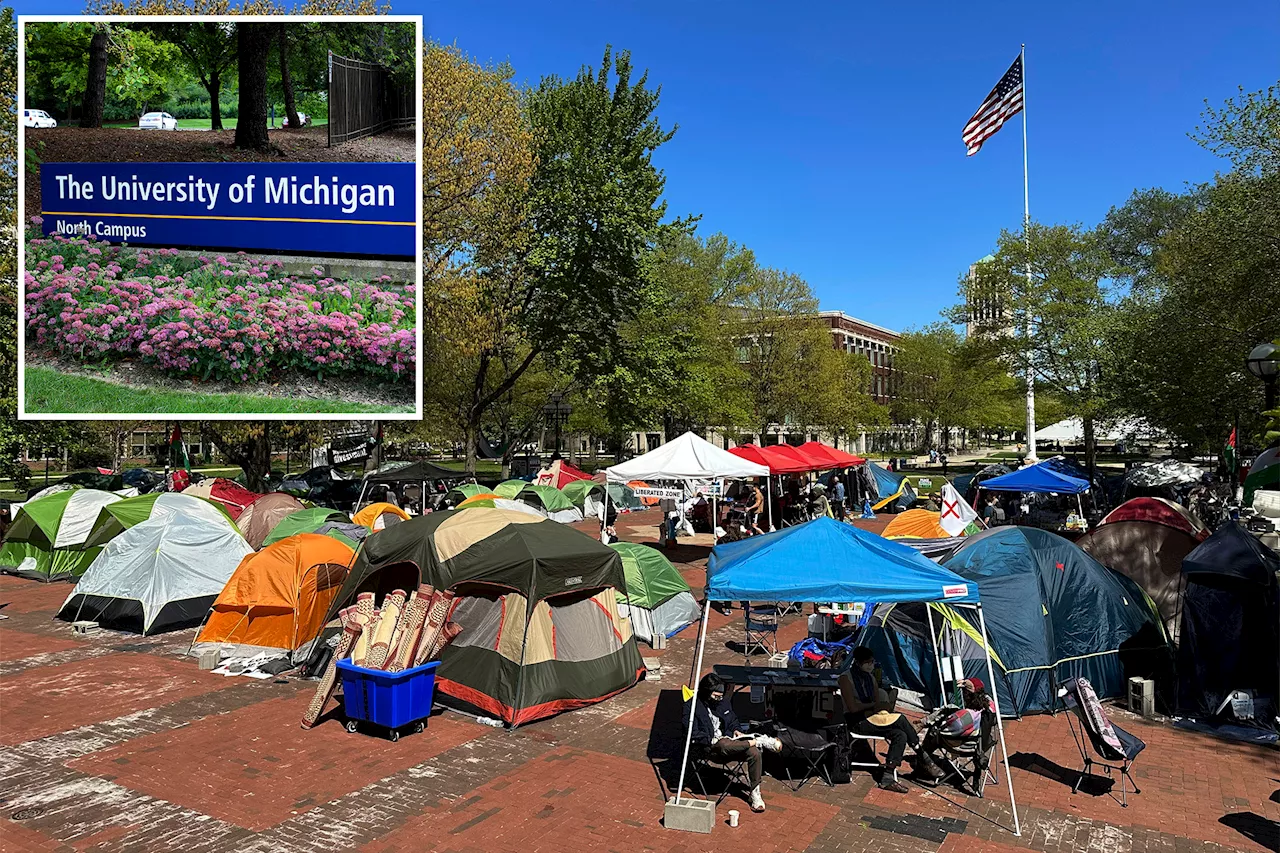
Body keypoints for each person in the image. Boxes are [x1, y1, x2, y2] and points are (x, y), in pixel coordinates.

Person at [837, 647, 943, 793]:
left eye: (872, 662)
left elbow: (875, 700)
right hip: (856, 720)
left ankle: (887, 777)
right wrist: (874, 705)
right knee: (900, 719)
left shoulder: (870, 678)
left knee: (900, 734)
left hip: (871, 715)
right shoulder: (845, 678)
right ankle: (923, 756)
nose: (871, 665)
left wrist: (879, 704)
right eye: (867, 662)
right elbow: (853, 707)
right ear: (858, 662)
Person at [687, 673, 781, 812]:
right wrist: (711, 739)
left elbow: (732, 720)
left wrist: (737, 730)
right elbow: (692, 733)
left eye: (721, 696)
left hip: (731, 743)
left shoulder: (723, 702)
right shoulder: (692, 706)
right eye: (716, 696)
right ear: (707, 692)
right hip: (710, 747)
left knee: (753, 753)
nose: (719, 699)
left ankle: (755, 793)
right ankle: (759, 741)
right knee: (723, 744)